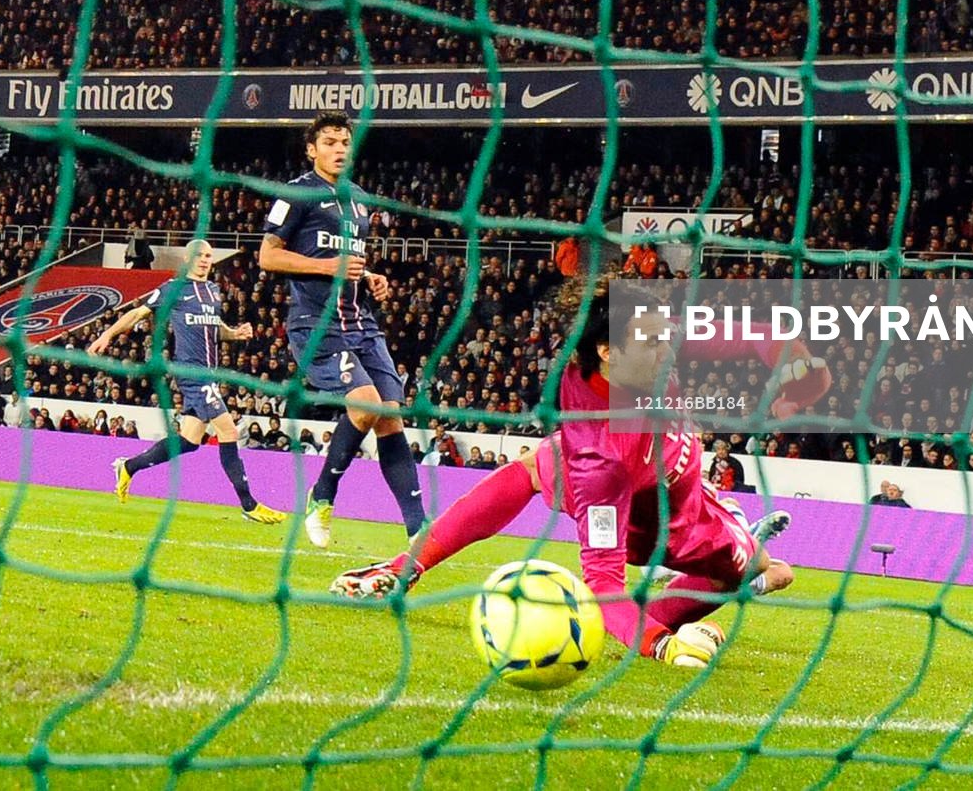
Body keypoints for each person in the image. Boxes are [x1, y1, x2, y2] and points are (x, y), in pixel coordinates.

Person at [333, 281, 799, 670]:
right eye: (656, 343)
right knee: (767, 572)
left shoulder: (640, 356)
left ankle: (403, 569)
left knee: (779, 571)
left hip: (692, 489)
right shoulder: (602, 462)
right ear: (608, 353)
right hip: (673, 530)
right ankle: (405, 567)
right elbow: (603, 586)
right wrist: (662, 645)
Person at [259, 112, 427, 547]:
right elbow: (268, 257)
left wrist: (368, 277)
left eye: (344, 142)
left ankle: (418, 529)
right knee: (367, 404)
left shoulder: (358, 199)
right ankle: (322, 495)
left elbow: (347, 259)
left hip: (362, 323)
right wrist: (325, 267)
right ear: (312, 149)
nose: (338, 149)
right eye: (329, 141)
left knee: (390, 417)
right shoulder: (295, 194)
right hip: (316, 325)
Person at [103, 241, 286, 524]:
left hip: (209, 374)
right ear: (187, 258)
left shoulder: (213, 291)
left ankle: (128, 467)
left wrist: (234, 334)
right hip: (192, 373)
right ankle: (249, 505)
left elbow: (215, 329)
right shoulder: (174, 288)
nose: (204, 260)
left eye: (209, 256)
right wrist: (107, 336)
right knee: (228, 431)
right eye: (199, 256)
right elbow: (138, 313)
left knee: (189, 441)